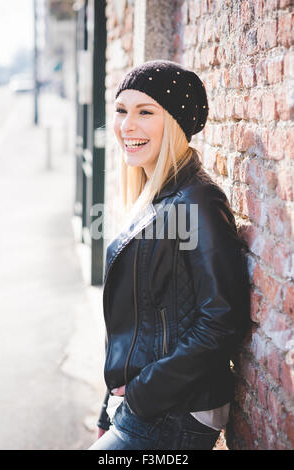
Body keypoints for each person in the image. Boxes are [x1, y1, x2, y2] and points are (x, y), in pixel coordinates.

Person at [88, 60, 250, 450]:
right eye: (122, 111)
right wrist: (108, 408)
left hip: (174, 411)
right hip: (143, 406)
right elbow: (137, 322)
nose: (127, 126)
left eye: (146, 112)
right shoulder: (155, 197)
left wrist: (142, 395)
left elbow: (222, 319)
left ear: (175, 123)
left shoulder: (197, 201)